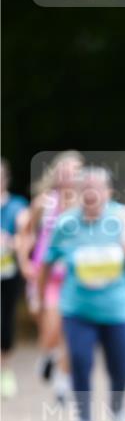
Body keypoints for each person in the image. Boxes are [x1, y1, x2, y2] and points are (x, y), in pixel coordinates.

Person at [39, 167, 125, 421]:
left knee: (120, 367)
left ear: (108, 192)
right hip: (77, 309)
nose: (90, 194)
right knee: (79, 361)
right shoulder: (65, 223)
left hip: (117, 310)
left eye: (96, 188)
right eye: (85, 188)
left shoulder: (122, 217)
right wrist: (41, 299)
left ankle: (118, 412)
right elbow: (47, 261)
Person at [16, 150, 83, 403]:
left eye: (76, 171)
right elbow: (27, 234)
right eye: (67, 171)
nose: (71, 176)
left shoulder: (85, 204)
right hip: (45, 274)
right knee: (50, 328)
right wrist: (24, 261)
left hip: (73, 274)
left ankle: (62, 384)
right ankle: (47, 356)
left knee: (70, 329)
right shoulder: (44, 202)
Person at [0, 159, 30, 399]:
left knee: (4, 321)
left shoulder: (18, 206)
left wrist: (9, 242)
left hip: (7, 273)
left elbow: (26, 237)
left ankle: (5, 369)